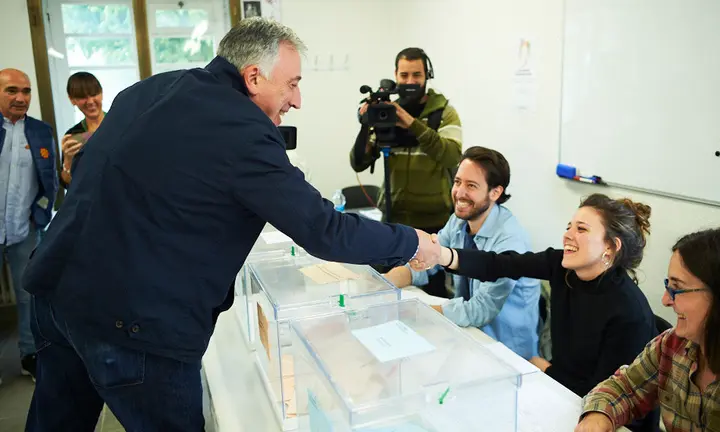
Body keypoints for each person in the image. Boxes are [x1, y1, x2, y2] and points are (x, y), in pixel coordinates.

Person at [21, 18, 440, 431]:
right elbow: (323, 229)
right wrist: (411, 242)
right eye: (292, 83)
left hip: (56, 292)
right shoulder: (242, 130)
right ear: (254, 77)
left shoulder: (151, 88)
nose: (297, 100)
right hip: (133, 327)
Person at [429, 194, 658, 397]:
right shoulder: (562, 266)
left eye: (581, 229)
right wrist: (443, 255)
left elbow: (604, 395)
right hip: (560, 390)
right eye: (569, 226)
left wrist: (546, 369)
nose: (567, 235)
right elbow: (502, 264)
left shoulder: (629, 311)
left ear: (611, 247)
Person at [576, 226, 720, 432]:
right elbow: (624, 388)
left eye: (677, 289)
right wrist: (598, 417)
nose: (666, 300)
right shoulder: (672, 345)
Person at [385, 146, 541, 359]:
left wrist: (415, 315)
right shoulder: (459, 220)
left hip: (505, 352)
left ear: (495, 192)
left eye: (471, 186)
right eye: (457, 182)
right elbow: (428, 261)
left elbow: (480, 310)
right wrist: (382, 285)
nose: (459, 192)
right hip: (465, 335)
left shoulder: (510, 240)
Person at [349, 47, 462, 298]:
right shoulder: (386, 110)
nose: (410, 82)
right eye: (404, 75)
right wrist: (366, 127)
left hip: (435, 225)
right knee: (388, 293)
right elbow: (358, 162)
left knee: (433, 297)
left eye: (417, 75)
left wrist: (411, 123)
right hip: (394, 220)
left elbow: (452, 155)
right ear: (395, 75)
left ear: (427, 75)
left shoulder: (443, 112)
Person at [0, 68, 58, 382]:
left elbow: (48, 180)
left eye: (26, 91)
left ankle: (29, 355)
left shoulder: (40, 131)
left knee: (28, 295)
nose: (21, 97)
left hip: (24, 229)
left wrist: (41, 217)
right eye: (11, 91)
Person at [59, 71, 106, 187]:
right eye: (82, 97)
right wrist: (68, 161)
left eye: (94, 94)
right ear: (72, 100)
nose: (90, 101)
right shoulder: (74, 135)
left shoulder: (121, 123)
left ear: (101, 93)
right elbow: (67, 184)